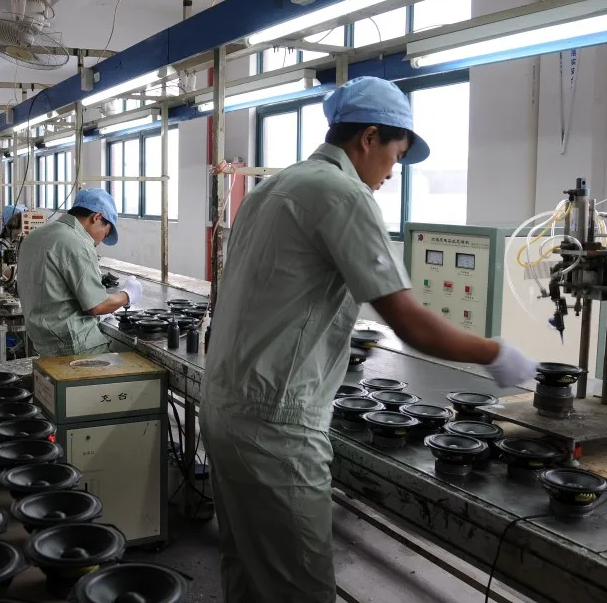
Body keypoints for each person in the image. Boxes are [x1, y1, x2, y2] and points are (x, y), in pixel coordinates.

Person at [200, 76, 537, 603]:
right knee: (299, 590)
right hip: (276, 428)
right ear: (369, 137)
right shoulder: (343, 194)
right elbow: (409, 322)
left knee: (247, 572)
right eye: (395, 156)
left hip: (224, 405)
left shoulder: (272, 189)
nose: (392, 172)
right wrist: (496, 353)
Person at [16, 188, 142, 356]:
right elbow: (98, 305)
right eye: (105, 233)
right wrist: (128, 295)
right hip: (75, 346)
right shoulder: (77, 242)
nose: (100, 241)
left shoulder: (34, 236)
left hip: (43, 343)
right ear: (97, 217)